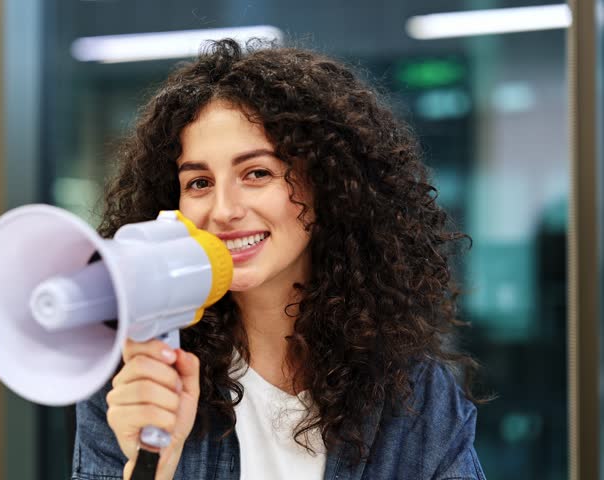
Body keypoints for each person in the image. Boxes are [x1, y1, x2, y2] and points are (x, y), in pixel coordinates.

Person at [72, 38, 487, 480]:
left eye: (256, 173)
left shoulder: (417, 394)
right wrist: (152, 464)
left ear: (326, 184)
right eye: (198, 182)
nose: (224, 209)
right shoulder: (136, 382)